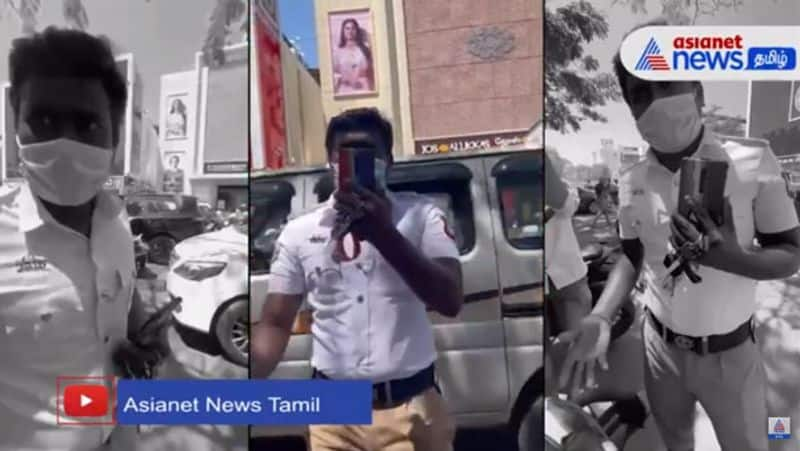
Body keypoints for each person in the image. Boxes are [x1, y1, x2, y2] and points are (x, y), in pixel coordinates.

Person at [560, 18, 800, 451]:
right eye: (639, 95)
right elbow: (631, 257)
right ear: (631, 112)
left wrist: (734, 259)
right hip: (660, 351)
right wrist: (599, 315)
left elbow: (790, 253)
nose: (654, 101)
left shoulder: (752, 161)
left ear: (698, 91)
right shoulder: (630, 178)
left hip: (731, 355)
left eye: (665, 82)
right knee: (675, 442)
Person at [252, 108, 463, 451]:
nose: (355, 161)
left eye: (369, 153)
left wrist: (383, 233)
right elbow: (276, 322)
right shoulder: (299, 233)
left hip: (411, 408)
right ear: (330, 163)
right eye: (344, 154)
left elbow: (450, 300)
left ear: (389, 160)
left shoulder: (423, 217)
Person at [0, 27, 169, 451]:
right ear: (13, 118)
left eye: (87, 122)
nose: (65, 141)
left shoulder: (116, 220)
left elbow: (121, 305)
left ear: (113, 134)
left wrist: (142, 340)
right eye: (43, 120)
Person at [332, 18, 374, 95]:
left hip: (363, 89)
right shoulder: (338, 52)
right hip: (345, 90)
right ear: (343, 31)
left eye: (353, 28)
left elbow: (371, 70)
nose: (350, 31)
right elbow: (334, 73)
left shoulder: (364, 49)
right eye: (347, 28)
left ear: (356, 31)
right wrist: (347, 80)